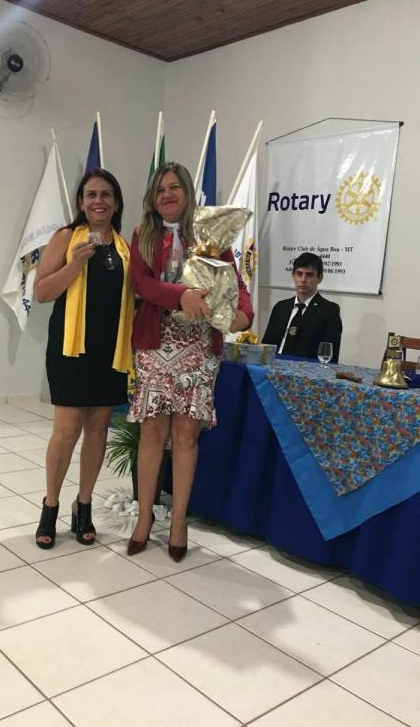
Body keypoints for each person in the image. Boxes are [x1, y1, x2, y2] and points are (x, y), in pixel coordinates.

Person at [127, 162, 253, 561]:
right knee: (152, 433)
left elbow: (237, 284)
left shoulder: (211, 234)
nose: (167, 194)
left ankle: (178, 521)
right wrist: (179, 295)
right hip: (155, 342)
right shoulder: (143, 235)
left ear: (187, 192)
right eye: (160, 189)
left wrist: (244, 315)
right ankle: (144, 517)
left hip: (199, 346)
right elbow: (140, 283)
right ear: (152, 197)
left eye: (174, 187)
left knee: (185, 435)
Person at [33, 168, 134, 549]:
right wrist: (74, 265)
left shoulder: (125, 248)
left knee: (98, 429)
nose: (98, 201)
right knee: (66, 431)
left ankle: (84, 504)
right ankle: (50, 505)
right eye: (91, 194)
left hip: (110, 351)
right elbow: (42, 292)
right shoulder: (65, 237)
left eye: (106, 194)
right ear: (80, 202)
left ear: (116, 203)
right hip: (70, 350)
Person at [262, 251, 342, 362]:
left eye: (309, 275)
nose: (303, 280)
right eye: (299, 274)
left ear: (320, 278)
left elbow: (329, 357)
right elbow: (266, 346)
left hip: (306, 370)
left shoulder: (329, 311)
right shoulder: (280, 307)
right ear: (293, 276)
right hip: (273, 366)